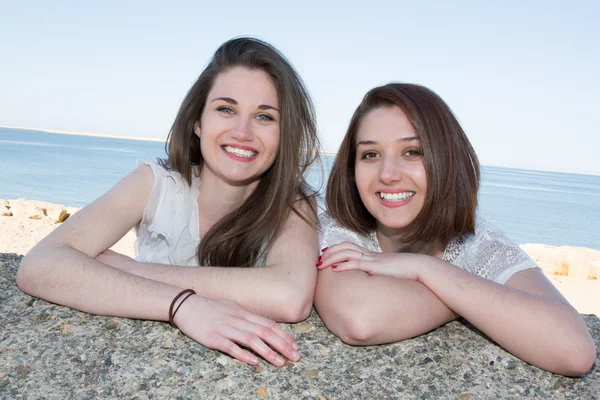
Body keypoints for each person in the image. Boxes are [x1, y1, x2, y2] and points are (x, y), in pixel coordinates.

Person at [16, 37, 321, 367]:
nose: (242, 131)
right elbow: (39, 265)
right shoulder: (155, 183)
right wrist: (182, 305)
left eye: (264, 117)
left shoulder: (294, 202)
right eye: (226, 109)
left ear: (284, 133)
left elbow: (290, 296)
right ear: (198, 122)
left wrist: (135, 271)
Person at [315, 83, 596, 376]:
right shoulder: (339, 230)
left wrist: (425, 269)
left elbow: (573, 350)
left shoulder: (478, 242)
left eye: (412, 152)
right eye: (370, 154)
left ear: (447, 160)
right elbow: (359, 319)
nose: (387, 174)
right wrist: (477, 299)